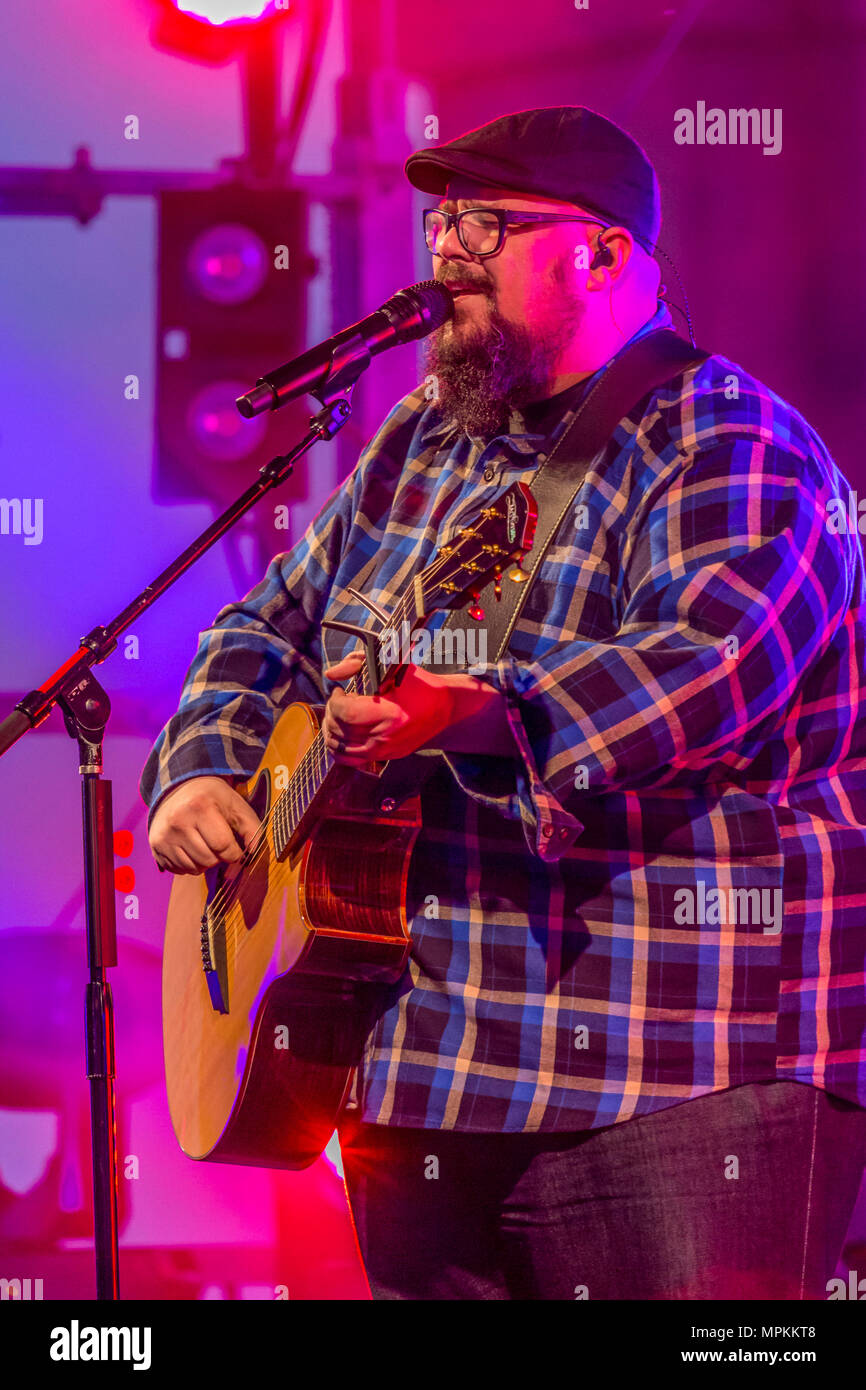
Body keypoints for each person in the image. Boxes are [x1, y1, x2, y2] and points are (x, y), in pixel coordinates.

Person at [141, 106, 866, 1300]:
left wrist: (485, 709)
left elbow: (708, 661)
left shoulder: (731, 441)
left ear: (603, 252)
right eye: (440, 221)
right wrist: (203, 766)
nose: (446, 251)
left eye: (486, 222)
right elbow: (262, 624)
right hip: (430, 1070)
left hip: (679, 1076)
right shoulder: (424, 444)